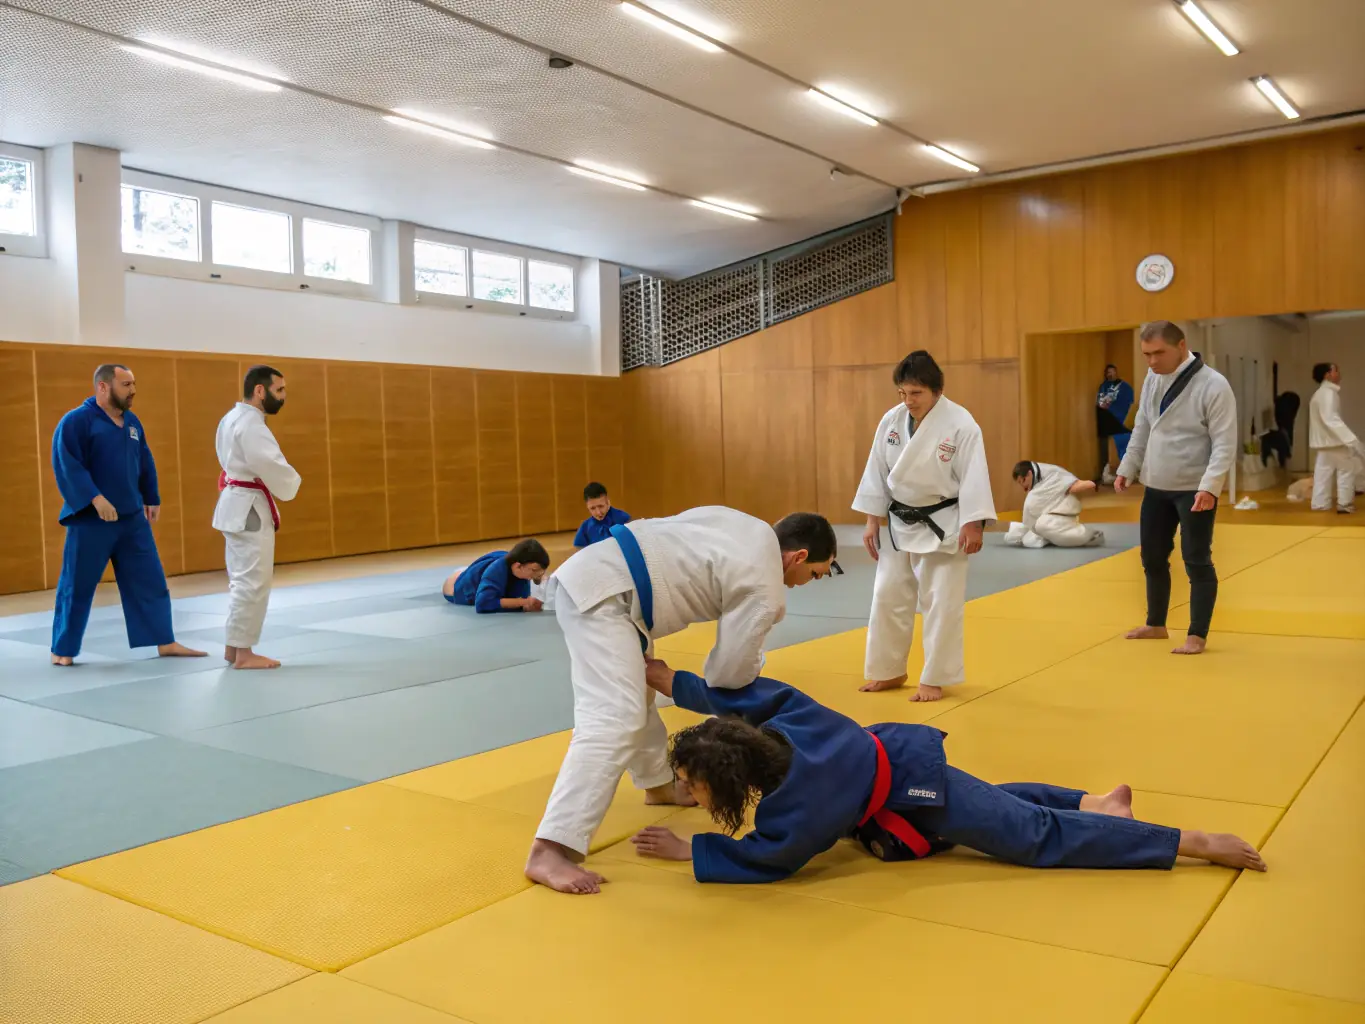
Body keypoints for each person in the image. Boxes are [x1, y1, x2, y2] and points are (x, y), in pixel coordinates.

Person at [630, 664, 1267, 882]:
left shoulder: (793, 813)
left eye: (694, 781)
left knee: (1027, 837)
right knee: (996, 806)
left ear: (736, 780)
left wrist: (693, 849)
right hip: (893, 772)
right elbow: (742, 699)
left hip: (913, 790)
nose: (687, 789)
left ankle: (1186, 842)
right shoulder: (788, 718)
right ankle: (1095, 802)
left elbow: (772, 860)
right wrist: (677, 684)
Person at [525, 507, 841, 895]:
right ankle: (550, 847)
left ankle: (658, 785)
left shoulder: (747, 524)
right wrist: (748, 663)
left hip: (602, 574)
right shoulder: (766, 588)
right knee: (614, 717)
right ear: (799, 557)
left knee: (636, 698)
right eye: (814, 575)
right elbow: (727, 675)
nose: (804, 584)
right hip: (608, 598)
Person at [853, 351, 996, 703]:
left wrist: (973, 523)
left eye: (915, 393)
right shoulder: (892, 419)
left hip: (944, 523)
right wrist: (872, 521)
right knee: (887, 597)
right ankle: (889, 670)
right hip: (899, 522)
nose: (908, 401)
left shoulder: (962, 424)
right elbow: (877, 471)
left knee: (941, 603)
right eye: (902, 393)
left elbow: (974, 476)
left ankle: (934, 678)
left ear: (936, 390)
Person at [49, 364, 206, 666]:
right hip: (91, 520)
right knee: (77, 584)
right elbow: (68, 464)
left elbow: (144, 459)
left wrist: (152, 496)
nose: (133, 390)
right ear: (103, 387)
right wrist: (95, 498)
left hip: (132, 519)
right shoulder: (77, 422)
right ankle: (63, 649)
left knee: (151, 579)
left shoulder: (132, 423)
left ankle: (165, 640)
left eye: (134, 384)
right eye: (125, 384)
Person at [1115, 321, 1237, 656]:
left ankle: (1197, 634)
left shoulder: (1214, 385)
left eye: (1158, 353)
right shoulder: (1153, 378)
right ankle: (1156, 624)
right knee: (1152, 557)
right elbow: (1142, 426)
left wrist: (1210, 487)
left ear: (1181, 346)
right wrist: (1128, 466)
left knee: (1196, 560)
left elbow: (1224, 444)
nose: (1151, 361)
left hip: (1194, 488)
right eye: (1146, 354)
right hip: (1156, 485)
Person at [213, 365, 302, 670]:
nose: (283, 397)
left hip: (234, 503)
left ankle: (233, 646)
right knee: (253, 581)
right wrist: (293, 482)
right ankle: (244, 654)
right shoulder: (251, 424)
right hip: (248, 507)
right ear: (260, 390)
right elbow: (268, 461)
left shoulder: (230, 418)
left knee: (240, 579)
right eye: (279, 390)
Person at [1005, 461, 1103, 549]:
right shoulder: (1036, 484)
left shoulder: (1052, 474)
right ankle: (1048, 537)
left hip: (1062, 514)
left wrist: (1090, 483)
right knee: (1014, 536)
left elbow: (1073, 484)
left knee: (1042, 525)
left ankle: (1088, 536)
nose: (1023, 486)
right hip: (1050, 514)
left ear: (1029, 474)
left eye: (1023, 481)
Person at [1308, 362, 1360, 514]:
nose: (1339, 373)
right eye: (1336, 370)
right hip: (1335, 442)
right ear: (1327, 374)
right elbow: (1331, 419)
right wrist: (1350, 438)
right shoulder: (1328, 394)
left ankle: (1320, 503)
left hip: (1325, 443)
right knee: (1347, 469)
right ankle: (1344, 504)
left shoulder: (1320, 393)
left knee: (1322, 473)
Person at [442, 540, 550, 613]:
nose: (536, 575)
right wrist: (524, 602)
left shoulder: (520, 570)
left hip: (488, 569)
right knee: (464, 577)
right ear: (518, 566)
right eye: (534, 571)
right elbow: (483, 604)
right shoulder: (496, 571)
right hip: (455, 588)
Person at [1096, 364, 1135, 484]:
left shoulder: (1124, 386)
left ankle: (1127, 473)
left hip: (1120, 420)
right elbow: (1101, 402)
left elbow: (1129, 402)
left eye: (1112, 372)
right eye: (1108, 372)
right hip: (1107, 419)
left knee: (1126, 443)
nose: (1110, 374)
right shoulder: (1103, 387)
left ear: (1116, 372)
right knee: (1112, 444)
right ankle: (1111, 472)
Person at [573, 482, 631, 548]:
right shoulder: (585, 527)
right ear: (587, 507)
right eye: (592, 508)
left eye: (601, 506)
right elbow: (579, 551)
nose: (598, 512)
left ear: (608, 502)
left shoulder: (624, 519)